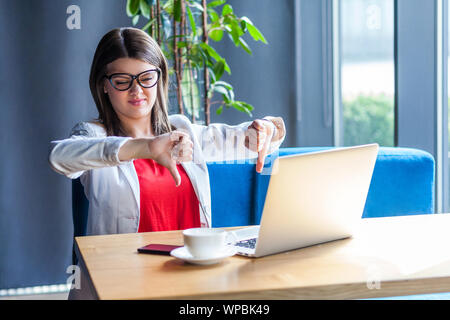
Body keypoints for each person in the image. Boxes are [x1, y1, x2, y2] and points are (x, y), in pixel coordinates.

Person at [48, 27, 286, 236]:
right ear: (104, 85)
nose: (136, 90)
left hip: (189, 274)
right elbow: (59, 157)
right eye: (122, 81)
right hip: (124, 278)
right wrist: (145, 148)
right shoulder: (93, 134)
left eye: (146, 78)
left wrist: (267, 128)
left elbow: (243, 138)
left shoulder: (182, 131)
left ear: (159, 79)